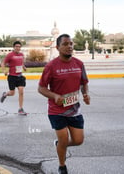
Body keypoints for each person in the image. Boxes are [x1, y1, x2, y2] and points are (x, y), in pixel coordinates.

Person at [38, 34, 90, 174]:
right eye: (65, 44)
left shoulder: (79, 64)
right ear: (58, 47)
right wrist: (54, 95)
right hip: (57, 111)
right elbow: (41, 88)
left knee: (78, 140)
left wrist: (85, 94)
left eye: (71, 44)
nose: (69, 46)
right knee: (63, 138)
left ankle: (59, 144)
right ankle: (62, 166)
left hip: (74, 109)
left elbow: (84, 83)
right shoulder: (51, 66)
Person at [0, 41, 28, 115]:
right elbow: (3, 63)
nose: (18, 48)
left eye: (19, 46)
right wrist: (4, 71)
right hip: (12, 76)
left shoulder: (22, 55)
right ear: (14, 47)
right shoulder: (10, 55)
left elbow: (21, 63)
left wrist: (24, 67)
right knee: (12, 93)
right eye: (16, 46)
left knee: (21, 91)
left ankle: (20, 109)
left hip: (20, 76)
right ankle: (5, 94)